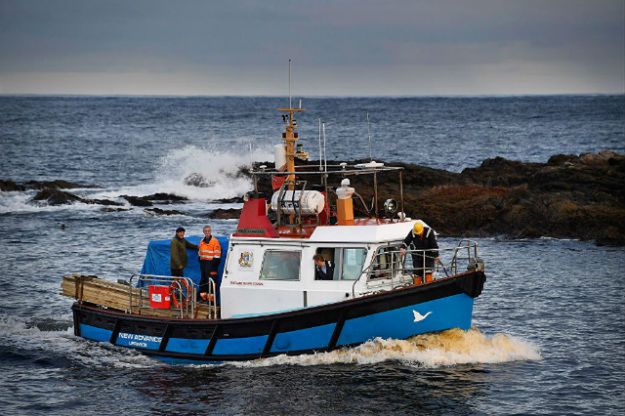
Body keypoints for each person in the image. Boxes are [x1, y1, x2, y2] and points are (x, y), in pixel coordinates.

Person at [198, 225, 222, 302]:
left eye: (208, 231)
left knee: (211, 282)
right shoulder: (201, 241)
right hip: (203, 263)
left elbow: (217, 255)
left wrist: (213, 266)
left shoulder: (215, 241)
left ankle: (211, 301)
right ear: (203, 232)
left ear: (210, 231)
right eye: (206, 231)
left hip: (212, 264)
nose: (207, 232)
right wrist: (200, 260)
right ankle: (203, 298)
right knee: (203, 280)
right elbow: (200, 253)